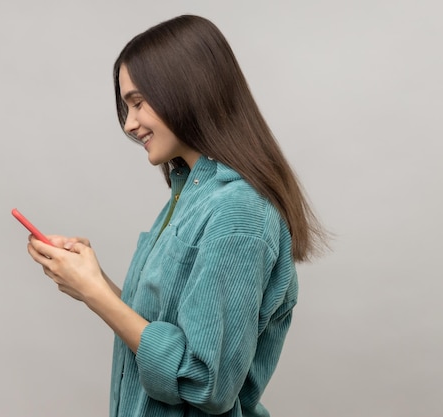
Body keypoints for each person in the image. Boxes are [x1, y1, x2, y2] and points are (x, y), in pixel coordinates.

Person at [26, 14, 326, 417]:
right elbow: (161, 333)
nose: (129, 124)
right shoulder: (190, 194)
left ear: (186, 91)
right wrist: (92, 283)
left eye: (137, 102)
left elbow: (206, 382)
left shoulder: (239, 213)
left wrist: (96, 295)